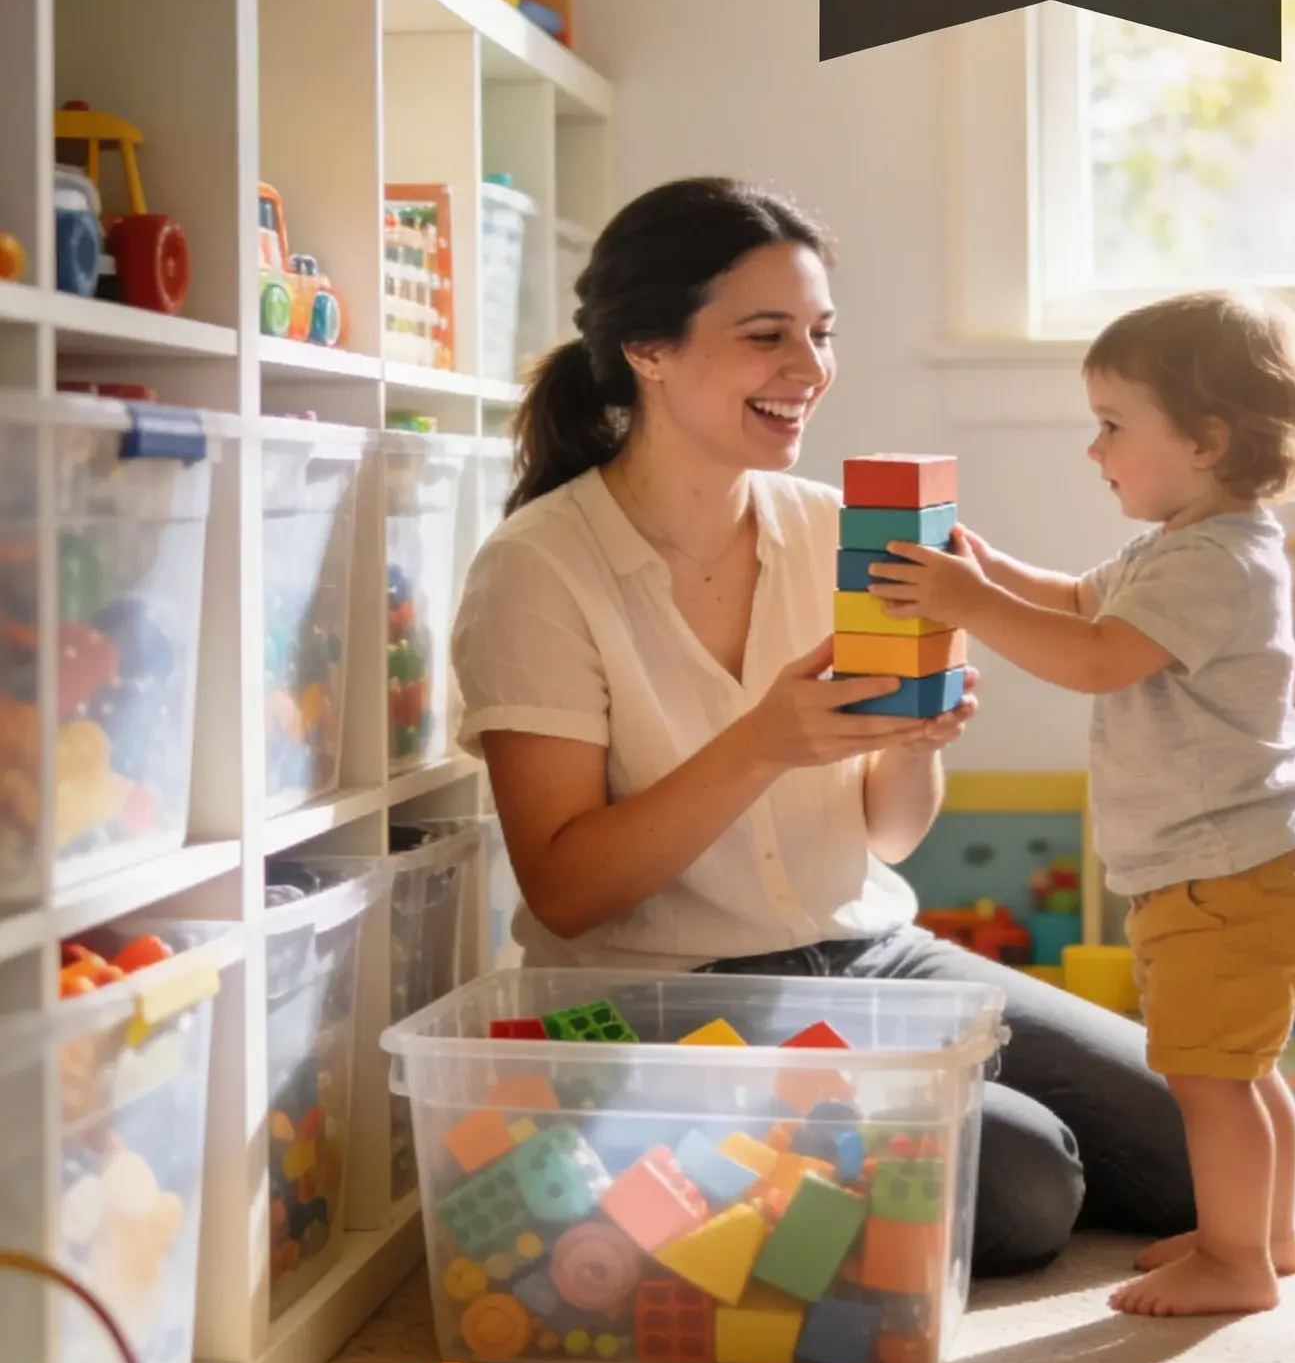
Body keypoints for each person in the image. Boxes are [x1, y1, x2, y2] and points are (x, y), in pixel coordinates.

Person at [452, 176, 1204, 1278]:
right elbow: (566, 889)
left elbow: (890, 837)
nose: (809, 370)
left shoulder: (845, 532)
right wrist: (763, 741)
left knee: (1207, 1137)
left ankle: (816, 1160)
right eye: (767, 337)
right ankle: (718, 1174)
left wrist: (911, 744)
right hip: (672, 996)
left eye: (820, 333)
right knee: (1025, 1180)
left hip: (873, 954)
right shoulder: (538, 569)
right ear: (648, 350)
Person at [873, 288, 1295, 1316]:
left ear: (1209, 439)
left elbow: (1095, 657)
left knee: (1211, 1077)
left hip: (1226, 875)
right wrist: (989, 571)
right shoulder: (1177, 543)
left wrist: (969, 606)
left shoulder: (1217, 561)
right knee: (1237, 1065)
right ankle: (1266, 1233)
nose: (1096, 450)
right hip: (1227, 869)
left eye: (1114, 426)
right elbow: (1082, 602)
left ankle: (1237, 1262)